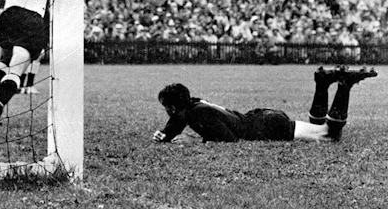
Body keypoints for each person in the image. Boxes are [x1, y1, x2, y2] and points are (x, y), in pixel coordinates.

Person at [152, 66, 377, 144]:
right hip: (262, 118)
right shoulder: (193, 105)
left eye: (167, 107)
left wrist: (195, 140)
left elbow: (229, 138)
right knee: (319, 129)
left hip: (265, 127)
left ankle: (344, 85)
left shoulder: (198, 114)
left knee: (329, 135)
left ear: (172, 107)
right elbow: (177, 121)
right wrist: (166, 134)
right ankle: (322, 83)